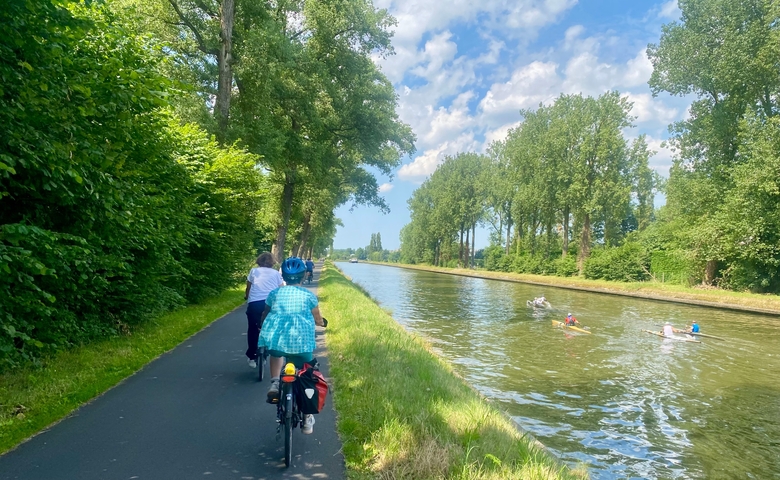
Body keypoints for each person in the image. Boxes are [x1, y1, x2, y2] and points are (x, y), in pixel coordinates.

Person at [259, 256, 326, 434]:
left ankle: (274, 383)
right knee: (306, 373)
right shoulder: (309, 296)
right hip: (302, 345)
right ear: (303, 276)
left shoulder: (274, 294)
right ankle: (307, 418)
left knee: (276, 354)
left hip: (276, 342)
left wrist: (262, 324)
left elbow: (266, 312)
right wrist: (320, 322)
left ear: (284, 277)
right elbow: (317, 318)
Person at [244, 252, 285, 369]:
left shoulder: (253, 271)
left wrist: (247, 297)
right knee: (272, 327)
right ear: (272, 262)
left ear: (259, 261)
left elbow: (249, 287)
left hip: (255, 304)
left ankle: (252, 356)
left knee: (252, 328)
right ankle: (268, 350)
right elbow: (281, 289)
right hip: (271, 304)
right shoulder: (276, 273)